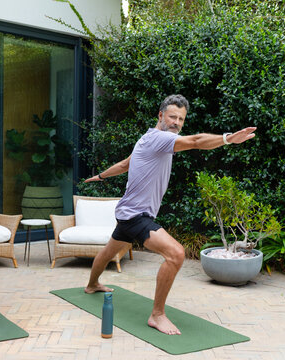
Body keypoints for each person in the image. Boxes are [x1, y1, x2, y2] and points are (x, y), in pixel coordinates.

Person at [84, 94, 256, 335]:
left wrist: (101, 176)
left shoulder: (146, 139)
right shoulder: (160, 138)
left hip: (126, 212)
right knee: (176, 254)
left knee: (109, 250)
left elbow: (125, 165)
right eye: (172, 117)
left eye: (181, 119)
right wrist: (228, 139)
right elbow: (196, 141)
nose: (176, 122)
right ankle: (157, 315)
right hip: (135, 215)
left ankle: (92, 285)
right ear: (160, 116)